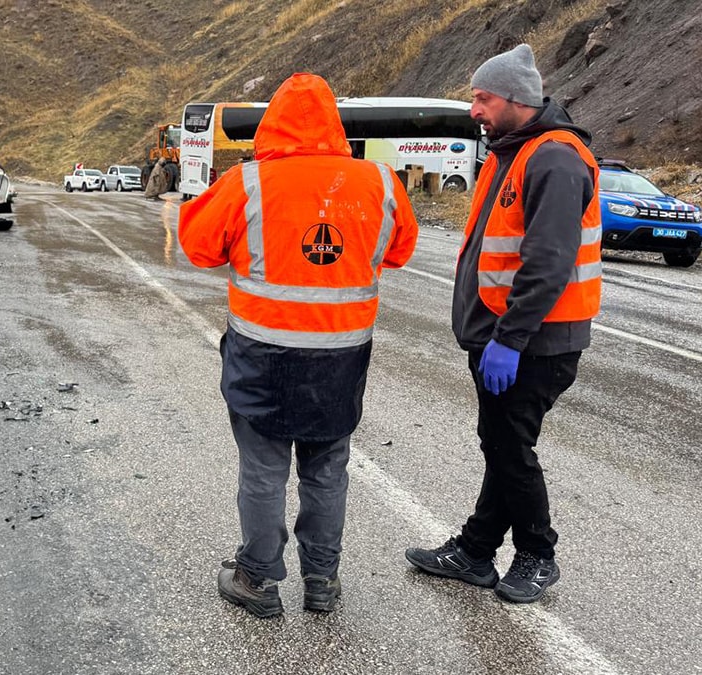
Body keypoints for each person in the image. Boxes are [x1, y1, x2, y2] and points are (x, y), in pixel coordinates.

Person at [178, 73, 418, 617]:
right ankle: (322, 579)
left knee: (263, 473)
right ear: (334, 124)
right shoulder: (379, 182)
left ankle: (257, 579)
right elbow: (399, 251)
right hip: (341, 360)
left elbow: (198, 247)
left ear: (272, 124)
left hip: (262, 357)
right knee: (327, 471)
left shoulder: (247, 182)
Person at [405, 44, 600, 604]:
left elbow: (548, 262)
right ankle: (476, 549)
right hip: (507, 335)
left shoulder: (554, 158)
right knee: (501, 442)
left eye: (482, 98)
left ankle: (538, 554)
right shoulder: (510, 153)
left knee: (510, 448)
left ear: (516, 99)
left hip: (535, 341)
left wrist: (510, 340)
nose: (474, 110)